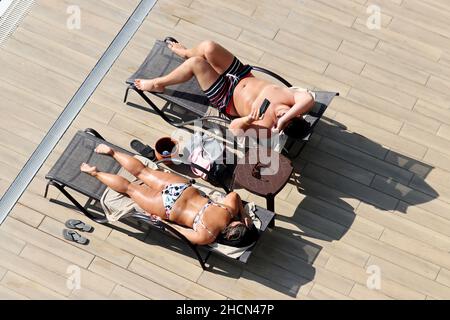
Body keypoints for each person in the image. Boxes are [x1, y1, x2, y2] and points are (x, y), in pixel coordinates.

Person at [80, 144, 258, 246]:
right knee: (129, 189)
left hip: (182, 189)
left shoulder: (228, 210)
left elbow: (234, 195)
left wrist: (244, 215)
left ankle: (111, 152)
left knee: (143, 171)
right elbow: (179, 231)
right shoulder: (207, 236)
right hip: (168, 206)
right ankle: (95, 173)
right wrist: (161, 221)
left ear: (239, 225)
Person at [134, 39, 315, 137]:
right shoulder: (294, 101)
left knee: (197, 63)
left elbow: (234, 129)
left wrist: (248, 120)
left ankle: (158, 84)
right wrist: (286, 118)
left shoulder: (267, 127)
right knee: (209, 47)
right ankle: (185, 52)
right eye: (285, 116)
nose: (279, 116)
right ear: (296, 114)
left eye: (281, 122)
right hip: (242, 74)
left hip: (226, 96)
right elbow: (309, 99)